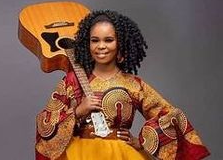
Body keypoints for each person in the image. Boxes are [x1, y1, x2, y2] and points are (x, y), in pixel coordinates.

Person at [35, 10, 210, 160]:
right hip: (78, 153)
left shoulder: (134, 85)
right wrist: (79, 110)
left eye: (108, 40)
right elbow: (45, 122)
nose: (101, 46)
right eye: (95, 40)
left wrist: (143, 142)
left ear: (121, 45)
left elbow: (169, 114)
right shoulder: (71, 81)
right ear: (86, 44)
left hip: (122, 153)